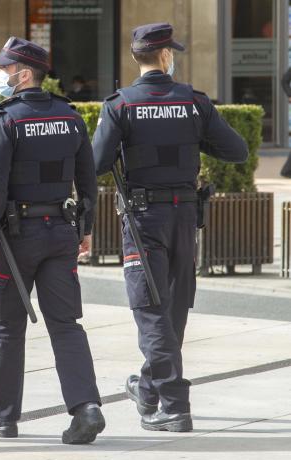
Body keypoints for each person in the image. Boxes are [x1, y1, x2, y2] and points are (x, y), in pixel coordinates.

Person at [92, 23, 248, 432]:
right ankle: (148, 387)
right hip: (183, 218)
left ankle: (175, 404)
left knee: (149, 308)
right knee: (172, 308)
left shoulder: (120, 105)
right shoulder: (194, 102)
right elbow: (236, 150)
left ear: (136, 57)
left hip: (144, 220)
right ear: (165, 56)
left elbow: (95, 164)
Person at [0, 36, 105, 445]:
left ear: (24, 74)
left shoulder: (6, 118)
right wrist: (85, 228)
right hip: (61, 231)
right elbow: (87, 179)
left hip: (15, 237)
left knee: (7, 328)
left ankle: (4, 417)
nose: (0, 75)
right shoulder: (70, 116)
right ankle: (86, 408)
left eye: (5, 68)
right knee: (66, 324)